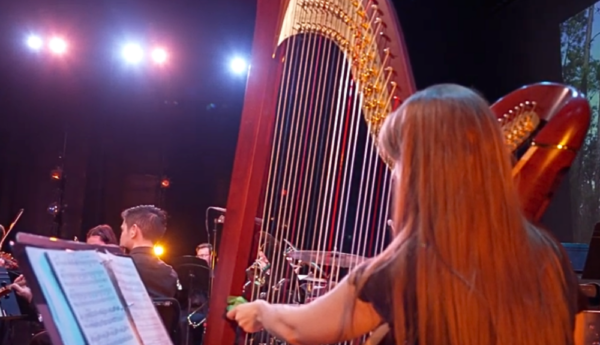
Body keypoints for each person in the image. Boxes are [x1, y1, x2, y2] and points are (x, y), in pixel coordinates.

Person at [227, 84, 584, 345]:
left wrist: (260, 310)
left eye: (398, 161)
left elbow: (297, 328)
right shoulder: (549, 254)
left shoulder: (407, 268)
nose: (395, 174)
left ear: (421, 172)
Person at [119, 204, 179, 298]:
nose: (121, 234)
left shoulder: (120, 267)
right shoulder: (171, 274)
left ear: (133, 230)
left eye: (122, 229)